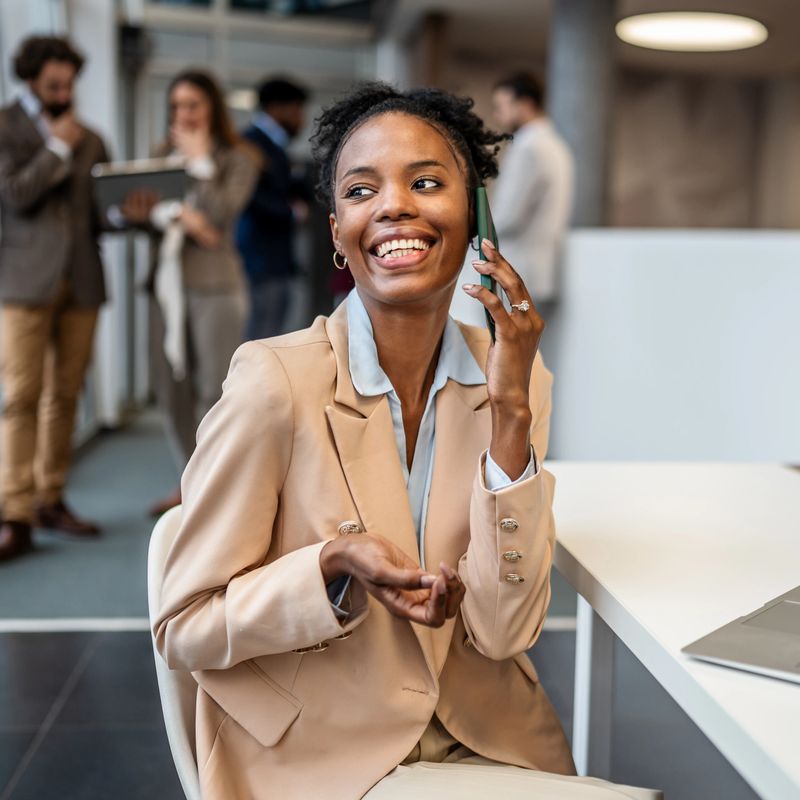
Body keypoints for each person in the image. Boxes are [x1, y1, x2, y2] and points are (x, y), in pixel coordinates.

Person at [153, 84, 644, 799]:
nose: (393, 206)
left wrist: (509, 413)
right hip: (316, 752)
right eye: (361, 189)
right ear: (337, 233)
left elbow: (505, 634)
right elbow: (184, 628)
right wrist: (330, 567)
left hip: (485, 741)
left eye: (426, 182)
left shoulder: (516, 378)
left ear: (475, 216)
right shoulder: (274, 382)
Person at [122, 70, 259, 516]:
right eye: (176, 106)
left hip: (216, 287)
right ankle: (189, 477)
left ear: (212, 108)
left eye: (193, 105)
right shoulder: (162, 156)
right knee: (169, 387)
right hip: (166, 287)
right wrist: (139, 213)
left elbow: (219, 217)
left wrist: (201, 165)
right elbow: (158, 221)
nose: (183, 115)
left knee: (213, 392)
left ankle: (213, 487)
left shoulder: (238, 158)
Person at [0, 36, 109, 561]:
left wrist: (130, 209)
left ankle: (50, 497)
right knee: (19, 396)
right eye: (53, 85)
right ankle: (13, 512)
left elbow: (98, 215)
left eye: (69, 84)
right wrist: (57, 149)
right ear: (31, 80)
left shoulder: (92, 138)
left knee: (65, 395)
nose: (64, 92)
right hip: (21, 282)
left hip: (82, 281)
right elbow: (15, 196)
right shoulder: (5, 127)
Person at [451, 72, 573, 335]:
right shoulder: (555, 145)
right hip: (535, 271)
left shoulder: (530, 148)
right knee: (523, 355)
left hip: (515, 272)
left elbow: (505, 217)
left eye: (501, 107)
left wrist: (466, 223)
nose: (497, 116)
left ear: (525, 104)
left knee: (502, 349)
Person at [236, 77, 309, 340]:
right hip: (259, 258)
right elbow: (248, 196)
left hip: (273, 259)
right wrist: (292, 212)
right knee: (260, 339)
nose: (301, 119)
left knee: (270, 333)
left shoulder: (275, 146)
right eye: (298, 110)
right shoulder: (250, 144)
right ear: (277, 109)